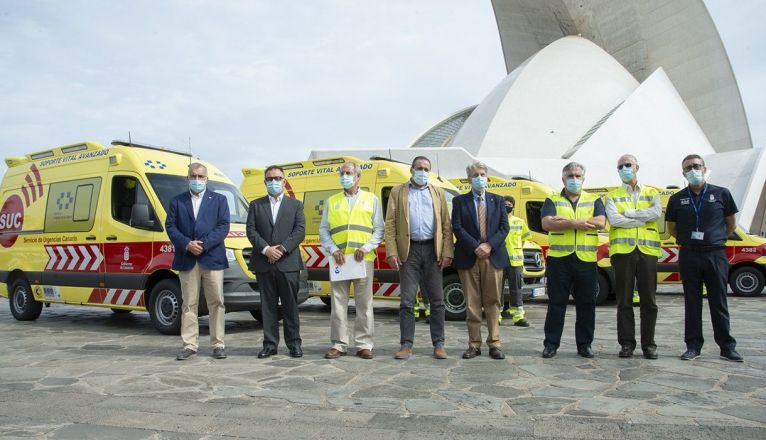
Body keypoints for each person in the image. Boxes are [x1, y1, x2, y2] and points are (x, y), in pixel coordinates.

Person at [666, 154, 743, 362]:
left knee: (719, 300)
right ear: (683, 173)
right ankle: (693, 346)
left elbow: (731, 224)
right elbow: (672, 228)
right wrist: (689, 240)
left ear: (704, 168)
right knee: (692, 301)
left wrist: (715, 238)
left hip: (715, 254)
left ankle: (727, 347)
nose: (693, 170)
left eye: (697, 166)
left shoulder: (722, 194)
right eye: (689, 167)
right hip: (690, 254)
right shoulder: (677, 199)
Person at [385, 156, 454, 360]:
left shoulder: (438, 192)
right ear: (411, 170)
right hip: (409, 251)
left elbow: (446, 225)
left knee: (437, 300)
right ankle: (406, 344)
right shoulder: (398, 192)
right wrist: (392, 251)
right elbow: (390, 224)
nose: (422, 171)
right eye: (419, 168)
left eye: (426, 169)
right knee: (407, 300)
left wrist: (447, 252)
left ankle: (439, 344)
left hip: (433, 250)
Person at [319, 161, 384, 360]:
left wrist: (366, 248)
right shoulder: (332, 201)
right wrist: (333, 249)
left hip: (362, 260)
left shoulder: (371, 199)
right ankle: (339, 344)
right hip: (340, 261)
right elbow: (324, 230)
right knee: (338, 304)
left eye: (348, 173)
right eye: (342, 173)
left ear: (358, 177)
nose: (344, 176)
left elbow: (379, 229)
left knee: (364, 304)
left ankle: (364, 344)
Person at [165, 163, 230, 360]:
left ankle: (218, 344)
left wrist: (204, 244)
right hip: (187, 259)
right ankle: (190, 345)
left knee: (217, 302)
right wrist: (187, 244)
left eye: (201, 176)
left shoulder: (219, 200)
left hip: (212, 258)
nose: (197, 179)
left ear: (207, 179)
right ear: (187, 178)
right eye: (193, 176)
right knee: (189, 303)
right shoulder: (177, 201)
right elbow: (171, 226)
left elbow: (223, 226)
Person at [541, 162, 605, 359]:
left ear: (584, 179)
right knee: (556, 303)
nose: (574, 180)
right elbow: (546, 223)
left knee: (587, 304)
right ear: (563, 178)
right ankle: (551, 344)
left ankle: (585, 345)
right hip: (559, 260)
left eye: (578, 176)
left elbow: (600, 222)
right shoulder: (551, 199)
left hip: (586, 259)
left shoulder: (594, 200)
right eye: (570, 176)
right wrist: (574, 223)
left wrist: (563, 223)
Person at [246, 165, 306, 358]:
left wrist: (281, 249)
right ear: (265, 182)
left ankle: (294, 344)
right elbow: (251, 231)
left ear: (284, 180)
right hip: (264, 263)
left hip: (288, 263)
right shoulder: (256, 205)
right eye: (270, 179)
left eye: (277, 178)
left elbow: (300, 231)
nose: (274, 182)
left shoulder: (295, 205)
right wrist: (266, 249)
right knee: (267, 306)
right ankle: (270, 344)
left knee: (290, 306)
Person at [605, 154, 661, 359]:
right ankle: (627, 344)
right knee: (624, 301)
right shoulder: (612, 195)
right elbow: (614, 219)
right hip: (623, 253)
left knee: (649, 301)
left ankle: (649, 344)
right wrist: (639, 218)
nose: (624, 169)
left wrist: (629, 213)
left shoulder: (651, 192)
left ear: (637, 167)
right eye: (620, 166)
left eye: (628, 165)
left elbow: (655, 214)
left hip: (647, 252)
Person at [452, 161, 510, 360]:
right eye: (475, 174)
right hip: (469, 256)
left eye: (482, 174)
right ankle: (474, 344)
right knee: (472, 303)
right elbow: (457, 227)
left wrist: (489, 245)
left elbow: (504, 228)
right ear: (469, 179)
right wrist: (475, 246)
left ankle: (494, 343)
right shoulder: (460, 202)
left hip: (493, 257)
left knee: (493, 302)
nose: (479, 177)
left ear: (487, 177)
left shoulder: (498, 200)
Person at [501, 195, 531, 327]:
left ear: (513, 207)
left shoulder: (519, 222)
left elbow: (524, 240)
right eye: (504, 204)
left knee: (516, 289)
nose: (507, 207)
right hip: (499, 261)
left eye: (509, 205)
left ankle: (518, 317)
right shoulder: (496, 221)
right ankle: (496, 316)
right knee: (497, 290)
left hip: (516, 262)